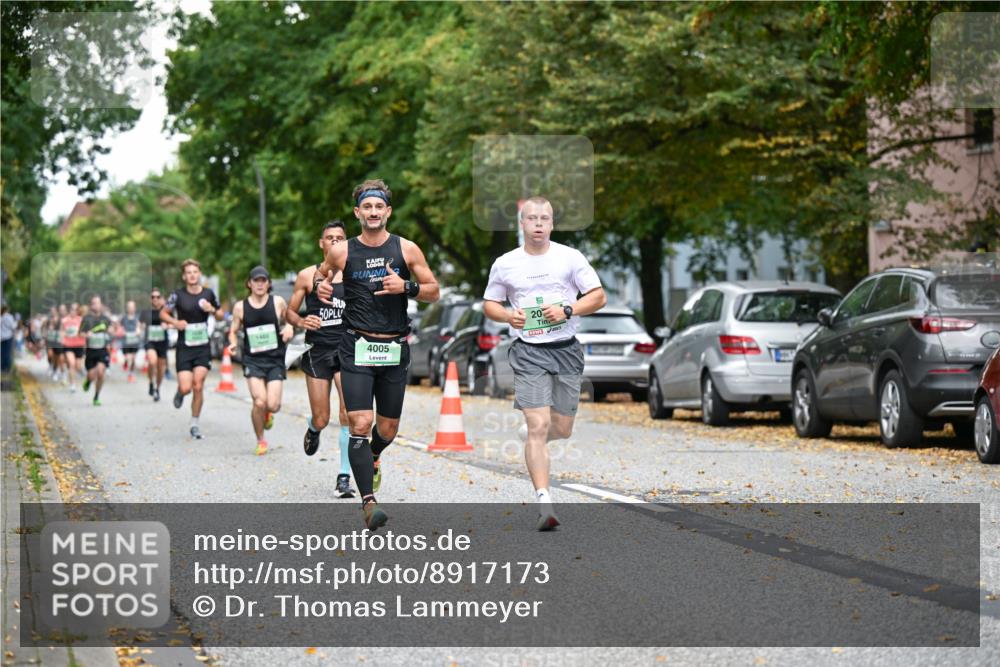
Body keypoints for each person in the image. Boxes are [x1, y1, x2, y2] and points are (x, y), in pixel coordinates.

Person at [317, 179, 440, 530]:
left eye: (379, 207)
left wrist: (407, 287)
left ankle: (373, 454)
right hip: (356, 346)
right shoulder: (342, 251)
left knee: (387, 428)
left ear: (388, 211)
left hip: (393, 348)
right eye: (367, 207)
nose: (373, 212)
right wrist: (321, 286)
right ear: (358, 212)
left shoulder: (407, 249)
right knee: (359, 423)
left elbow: (434, 290)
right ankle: (369, 503)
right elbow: (322, 275)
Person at [482, 196, 606, 531]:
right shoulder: (505, 263)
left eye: (544, 218)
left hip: (566, 350)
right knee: (538, 426)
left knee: (562, 429)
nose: (538, 224)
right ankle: (545, 503)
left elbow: (598, 296)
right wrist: (508, 316)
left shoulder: (570, 257)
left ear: (552, 223)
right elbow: (490, 303)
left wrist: (568, 310)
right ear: (522, 223)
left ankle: (537, 434)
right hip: (528, 351)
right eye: (532, 218)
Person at [287, 220, 355, 497]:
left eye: (340, 237)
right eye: (330, 237)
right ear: (321, 243)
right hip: (318, 351)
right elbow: (290, 313)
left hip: (347, 349)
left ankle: (343, 477)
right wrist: (302, 321)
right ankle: (313, 429)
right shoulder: (307, 275)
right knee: (322, 417)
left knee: (348, 414)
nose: (335, 241)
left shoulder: (354, 274)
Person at [227, 266, 293, 456]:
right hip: (253, 360)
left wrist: (289, 327)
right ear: (249, 284)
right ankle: (260, 440)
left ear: (269, 284)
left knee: (273, 405)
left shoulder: (277, 302)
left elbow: (290, 318)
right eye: (256, 280)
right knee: (259, 401)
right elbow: (233, 330)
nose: (260, 284)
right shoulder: (240, 307)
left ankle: (268, 413)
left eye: (263, 280)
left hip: (275, 360)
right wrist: (232, 343)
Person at [159, 259, 223, 439]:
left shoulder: (208, 293)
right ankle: (180, 392)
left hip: (202, 347)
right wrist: (175, 322)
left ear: (199, 274)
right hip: (184, 347)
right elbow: (163, 313)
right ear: (184, 276)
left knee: (198, 385)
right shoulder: (177, 295)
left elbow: (220, 315)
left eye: (195, 272)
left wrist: (212, 309)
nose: (192, 275)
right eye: (189, 272)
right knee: (186, 387)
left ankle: (194, 423)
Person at [80, 295, 113, 406]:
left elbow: (112, 329)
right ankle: (88, 381)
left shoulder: (105, 319)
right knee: (91, 375)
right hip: (91, 351)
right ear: (91, 305)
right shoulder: (86, 319)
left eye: (98, 303)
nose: (96, 305)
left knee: (100, 372)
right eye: (94, 303)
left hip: (102, 350)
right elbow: (80, 333)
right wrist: (86, 334)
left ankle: (96, 396)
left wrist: (111, 331)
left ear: (101, 305)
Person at [143, 289, 169, 402]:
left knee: (160, 368)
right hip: (150, 341)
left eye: (157, 297)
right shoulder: (146, 312)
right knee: (152, 361)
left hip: (162, 342)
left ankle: (157, 389)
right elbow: (139, 324)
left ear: (161, 298)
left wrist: (168, 326)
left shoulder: (166, 311)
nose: (155, 299)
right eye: (153, 297)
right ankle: (150, 382)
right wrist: (139, 328)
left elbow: (174, 322)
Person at [60, 302, 86, 392]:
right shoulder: (64, 320)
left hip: (79, 345)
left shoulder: (81, 320)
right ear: (69, 310)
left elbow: (84, 332)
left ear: (78, 311)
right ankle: (72, 385)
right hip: (68, 345)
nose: (73, 311)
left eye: (75, 310)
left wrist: (83, 334)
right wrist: (62, 337)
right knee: (72, 363)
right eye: (72, 309)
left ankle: (72, 374)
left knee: (78, 367)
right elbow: (62, 331)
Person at [120, 300, 143, 383]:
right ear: (127, 308)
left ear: (135, 308)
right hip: (126, 342)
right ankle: (126, 361)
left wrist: (139, 329)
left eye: (132, 307)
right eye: (129, 307)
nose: (131, 308)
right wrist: (122, 331)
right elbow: (119, 327)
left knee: (133, 359)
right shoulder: (124, 318)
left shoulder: (138, 317)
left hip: (134, 341)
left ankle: (131, 374)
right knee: (128, 358)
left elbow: (141, 326)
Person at [0, 305, 15, 373]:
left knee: (2, 352)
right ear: (7, 310)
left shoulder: (1, 317)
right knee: (8, 353)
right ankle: (7, 368)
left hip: (2, 337)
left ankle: (2, 367)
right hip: (8, 336)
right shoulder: (9, 317)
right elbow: (12, 326)